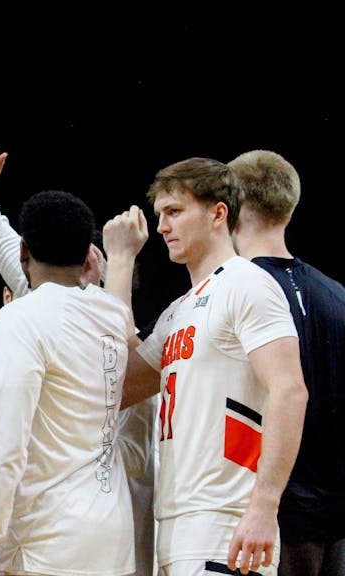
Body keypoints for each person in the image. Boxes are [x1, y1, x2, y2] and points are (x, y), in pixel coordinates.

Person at [108, 157, 309, 576]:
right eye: (160, 213)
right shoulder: (178, 311)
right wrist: (121, 263)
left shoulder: (247, 283)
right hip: (176, 523)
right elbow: (120, 384)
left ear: (219, 213)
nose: (162, 226)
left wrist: (264, 507)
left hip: (226, 521)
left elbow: (290, 390)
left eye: (175, 211)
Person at [0, 190, 135, 576]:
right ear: (90, 255)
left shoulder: (21, 318)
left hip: (46, 540)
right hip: (112, 536)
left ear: (24, 251)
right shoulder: (115, 315)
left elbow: (3, 448)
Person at [228, 150, 345, 576]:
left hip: (268, 525)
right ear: (290, 210)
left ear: (230, 208)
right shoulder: (337, 295)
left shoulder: (233, 293)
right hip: (332, 527)